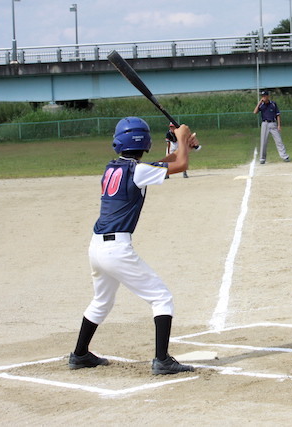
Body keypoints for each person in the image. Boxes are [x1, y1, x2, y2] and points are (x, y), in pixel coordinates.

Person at [69, 116, 199, 375]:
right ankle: (162, 360)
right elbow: (180, 164)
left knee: (101, 302)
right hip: (116, 249)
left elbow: (168, 163)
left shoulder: (113, 167)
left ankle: (80, 354)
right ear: (146, 141)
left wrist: (180, 144)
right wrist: (182, 142)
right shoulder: (137, 171)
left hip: (97, 247)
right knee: (161, 297)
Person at [253, 90, 290, 164]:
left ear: (268, 96)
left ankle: (284, 156)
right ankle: (262, 159)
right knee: (263, 141)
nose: (263, 97)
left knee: (278, 140)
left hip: (273, 123)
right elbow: (255, 112)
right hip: (265, 124)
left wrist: (279, 125)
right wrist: (260, 102)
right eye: (262, 96)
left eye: (265, 96)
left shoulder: (273, 104)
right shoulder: (261, 105)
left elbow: (278, 115)